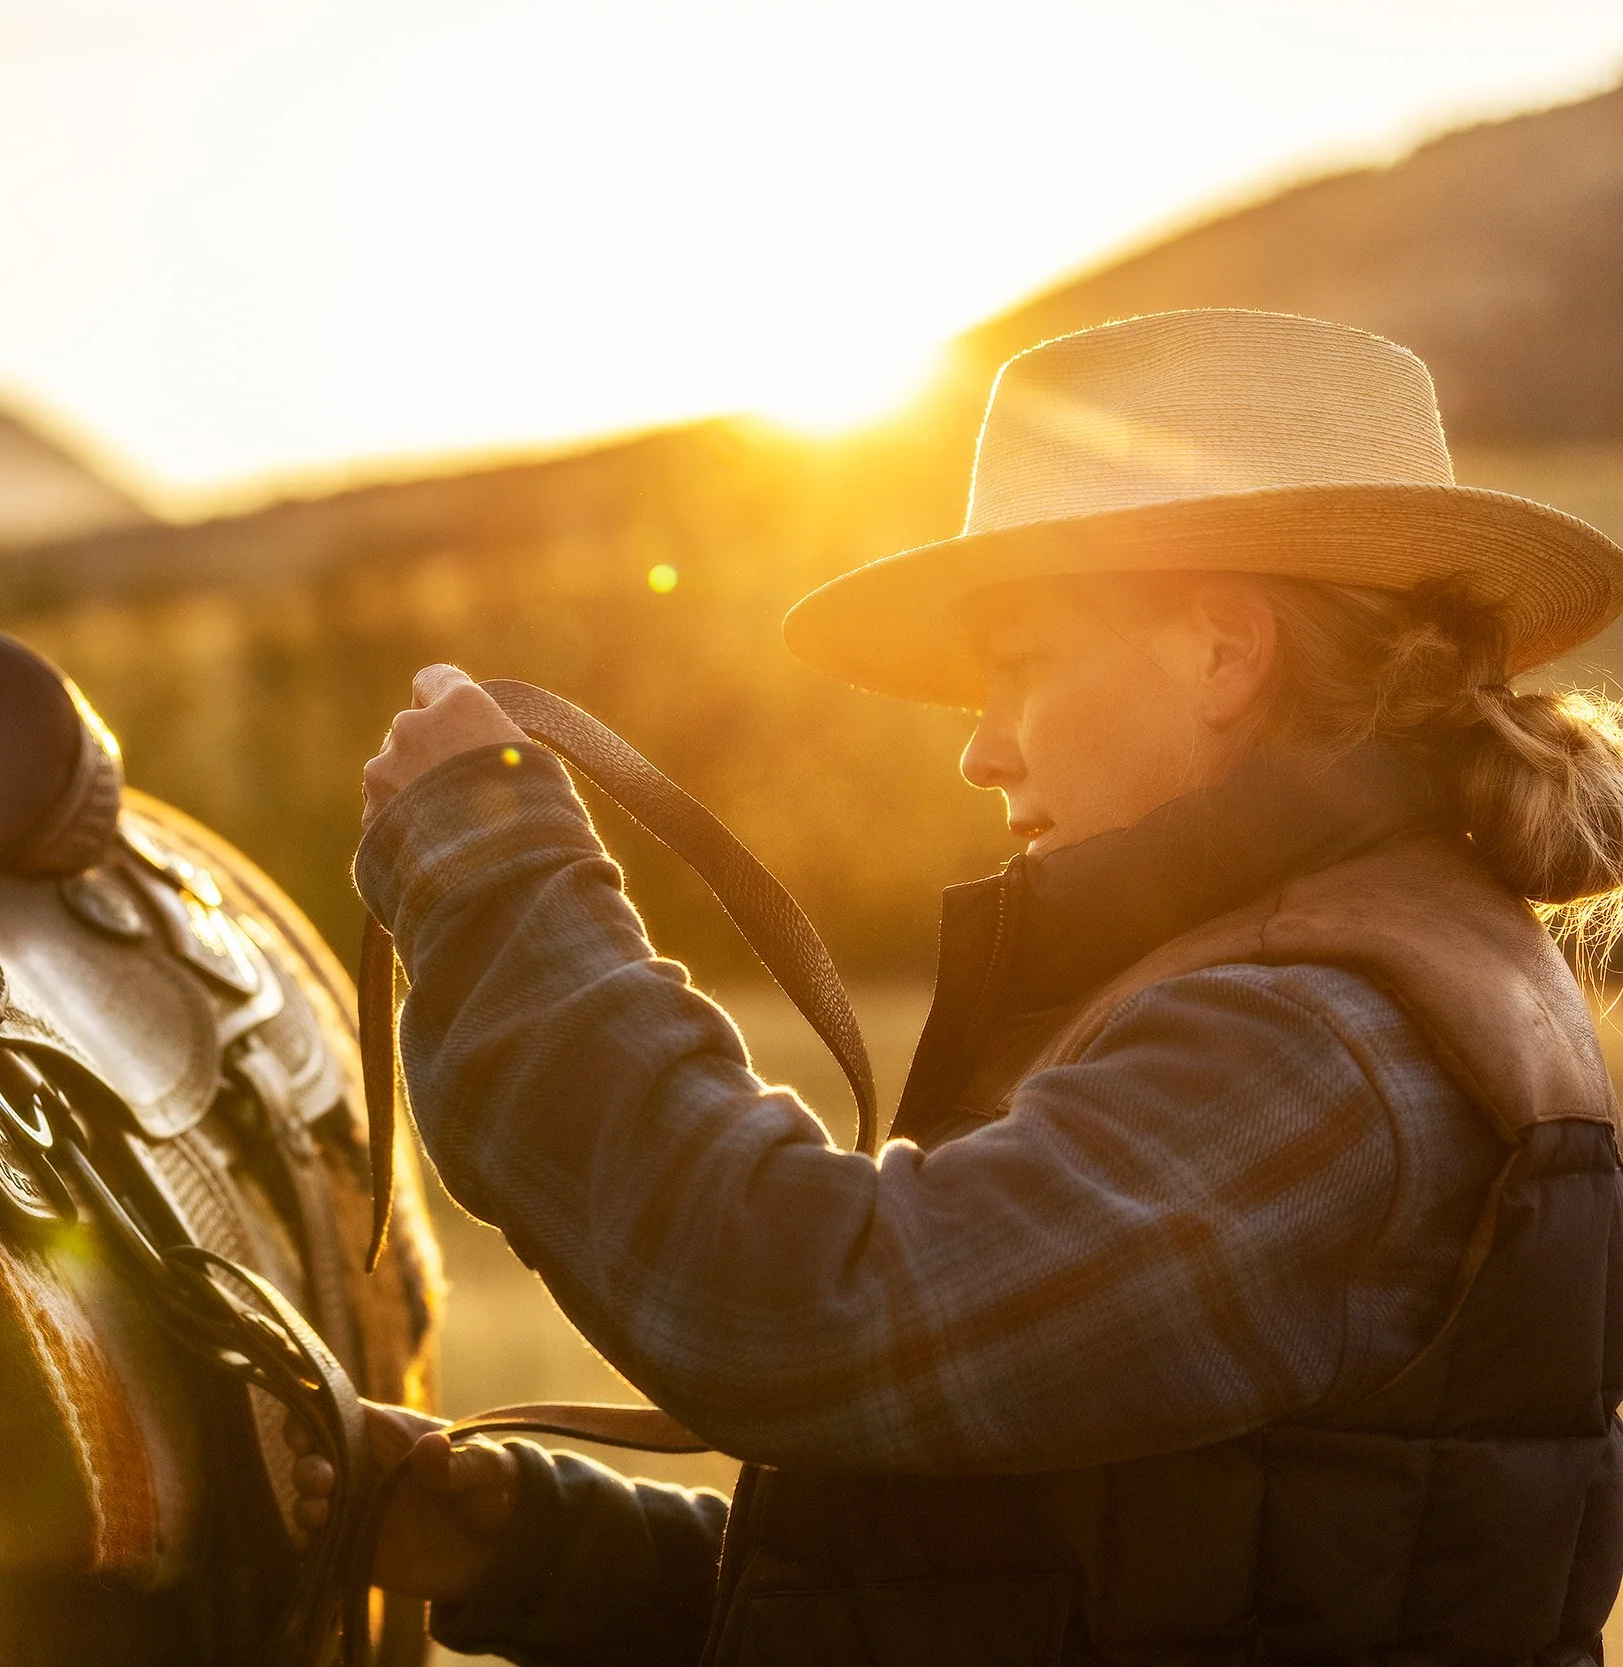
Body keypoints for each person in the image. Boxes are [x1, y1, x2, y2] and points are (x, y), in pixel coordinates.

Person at [296, 309, 1623, 1665]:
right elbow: (1040, 1598)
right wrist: (519, 1538)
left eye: (1024, 668)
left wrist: (495, 869)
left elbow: (804, 1311)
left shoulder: (1319, 1041)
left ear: (1224, 652)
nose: (981, 753)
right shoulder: (1354, 977)